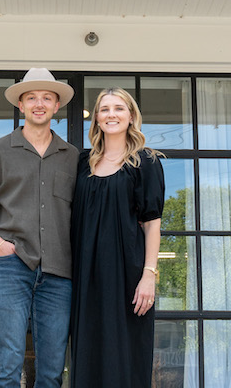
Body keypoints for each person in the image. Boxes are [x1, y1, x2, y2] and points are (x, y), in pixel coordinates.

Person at [0, 68, 78, 388]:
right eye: (31, 98)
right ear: (21, 105)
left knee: (52, 370)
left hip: (59, 271)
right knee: (9, 364)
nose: (39, 103)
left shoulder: (72, 157)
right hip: (10, 267)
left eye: (46, 97)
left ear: (57, 106)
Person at [70, 87, 164, 387]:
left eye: (119, 108)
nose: (111, 114)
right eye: (105, 109)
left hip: (127, 275)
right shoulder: (82, 163)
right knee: (88, 352)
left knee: (125, 354)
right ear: (96, 118)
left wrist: (149, 275)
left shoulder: (145, 162)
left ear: (131, 116)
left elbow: (152, 224)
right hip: (85, 274)